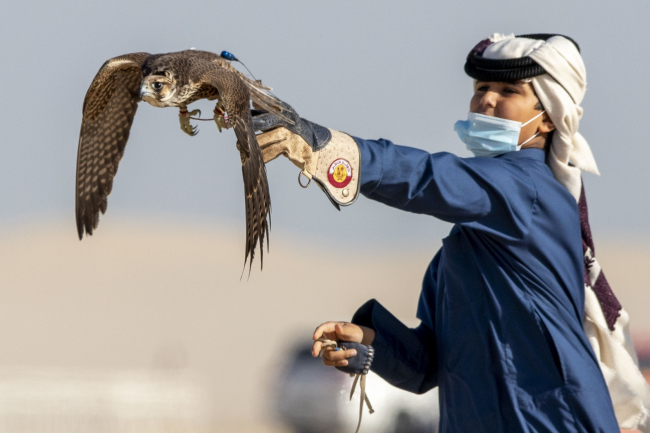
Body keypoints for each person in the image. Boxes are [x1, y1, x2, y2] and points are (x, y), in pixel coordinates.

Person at [253, 33, 650, 432]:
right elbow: (427, 366)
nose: (487, 100)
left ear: (549, 117)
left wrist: (326, 148)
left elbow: (428, 178)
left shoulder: (530, 191)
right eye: (481, 88)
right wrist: (369, 343)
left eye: (508, 90)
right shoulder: (458, 253)